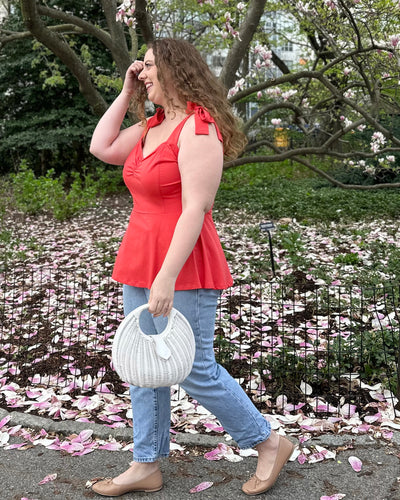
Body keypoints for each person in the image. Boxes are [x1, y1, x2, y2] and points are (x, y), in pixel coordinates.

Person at [89, 37, 294, 497]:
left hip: (182, 263)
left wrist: (166, 276)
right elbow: (100, 146)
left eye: (147, 67)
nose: (141, 72)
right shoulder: (152, 125)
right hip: (140, 256)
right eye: (138, 67)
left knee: (193, 368)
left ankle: (268, 441)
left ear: (174, 70)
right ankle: (146, 463)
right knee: (143, 365)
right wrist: (127, 94)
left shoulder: (199, 130)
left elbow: (195, 208)